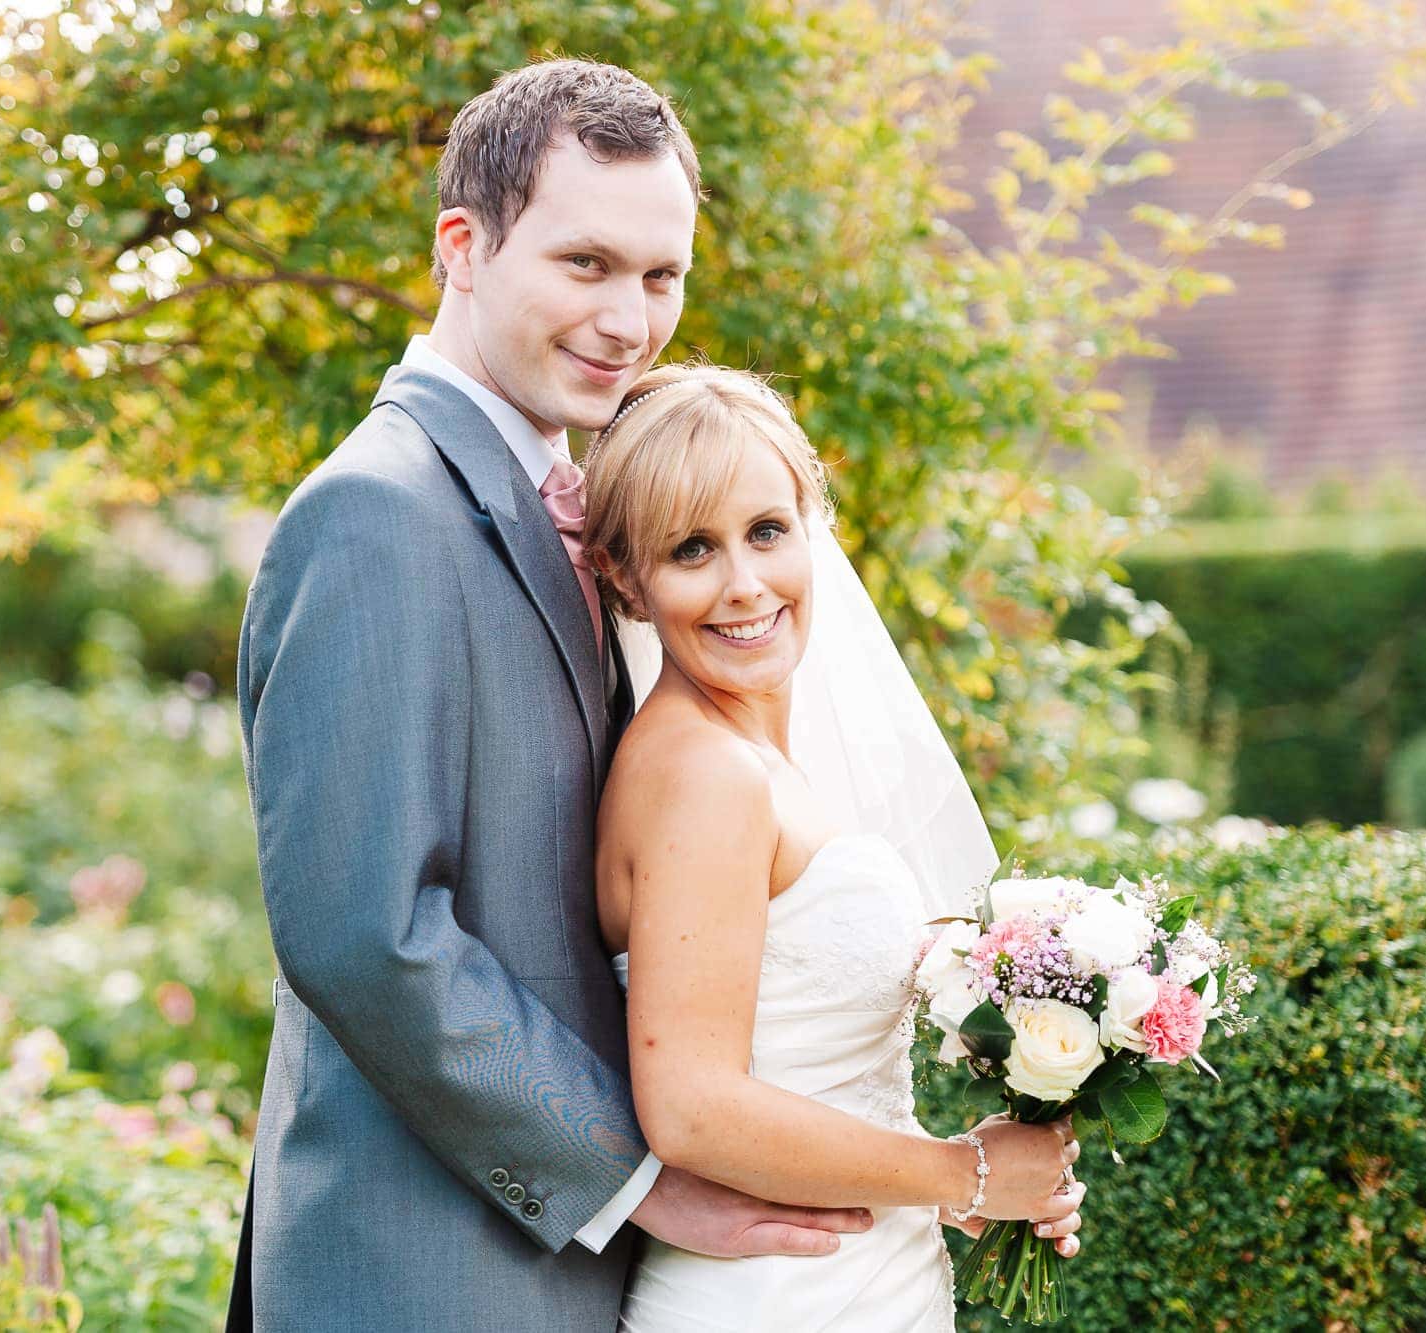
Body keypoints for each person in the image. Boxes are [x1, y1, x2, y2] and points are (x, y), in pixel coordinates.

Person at [230, 61, 881, 1331]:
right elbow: (365, 934)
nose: (631, 321)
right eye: (585, 265)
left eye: (660, 276)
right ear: (461, 248)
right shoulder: (377, 513)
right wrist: (634, 1179)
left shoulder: (577, 506)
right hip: (428, 1272)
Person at [582, 363, 1086, 1330]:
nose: (746, 584)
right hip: (774, 1300)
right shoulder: (706, 777)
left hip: (859, 1280)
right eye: (692, 549)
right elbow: (691, 1106)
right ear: (627, 580)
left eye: (767, 532)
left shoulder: (753, 758)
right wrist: (968, 1170)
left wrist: (957, 1187)